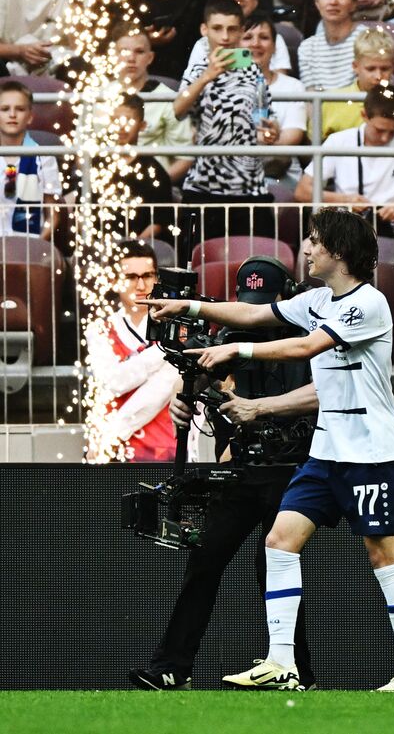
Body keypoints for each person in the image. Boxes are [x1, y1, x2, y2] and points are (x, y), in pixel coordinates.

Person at [141, 208, 394, 693]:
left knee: (386, 558)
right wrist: (191, 308)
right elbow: (255, 313)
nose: (308, 249)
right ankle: (282, 663)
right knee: (279, 542)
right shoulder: (318, 299)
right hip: (325, 454)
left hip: (371, 453)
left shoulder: (369, 304)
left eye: (316, 241)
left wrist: (238, 351)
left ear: (338, 252)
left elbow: (304, 349)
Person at [129, 255, 317, 691]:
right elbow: (193, 386)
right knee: (205, 558)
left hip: (295, 468)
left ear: (281, 300)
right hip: (241, 468)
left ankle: (294, 669)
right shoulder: (228, 337)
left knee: (273, 564)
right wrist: (185, 398)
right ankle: (171, 666)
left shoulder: (307, 340)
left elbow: (321, 395)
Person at [172, 0, 275, 256]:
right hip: (204, 186)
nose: (225, 36)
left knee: (256, 272)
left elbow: (264, 119)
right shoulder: (196, 69)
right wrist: (208, 75)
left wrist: (271, 132)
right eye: (217, 28)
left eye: (232, 29)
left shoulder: (253, 70)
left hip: (251, 186)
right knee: (193, 271)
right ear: (204, 30)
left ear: (242, 31)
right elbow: (178, 109)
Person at [295, 85, 394, 237]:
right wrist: (345, 200)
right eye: (380, 130)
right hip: (348, 232)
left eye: (393, 132)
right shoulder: (338, 141)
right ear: (364, 115)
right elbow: (302, 191)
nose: (385, 138)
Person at [84, 240, 178, 462]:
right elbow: (112, 383)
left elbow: (162, 388)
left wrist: (112, 433)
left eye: (148, 276)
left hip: (163, 449)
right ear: (113, 280)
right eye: (130, 277)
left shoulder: (175, 326)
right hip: (113, 454)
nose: (141, 285)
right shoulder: (99, 329)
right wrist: (163, 351)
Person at [240, 11, 307, 185]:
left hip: (280, 177)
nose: (255, 44)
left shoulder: (293, 87)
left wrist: (270, 137)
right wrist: (260, 138)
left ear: (275, 45)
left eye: (264, 37)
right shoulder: (223, 85)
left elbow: (292, 137)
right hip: (235, 174)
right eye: (247, 38)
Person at [117, 29, 191, 183]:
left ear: (150, 58)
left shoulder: (168, 98)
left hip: (153, 186)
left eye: (139, 52)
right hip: (103, 186)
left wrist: (158, 185)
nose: (131, 58)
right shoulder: (97, 95)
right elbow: (80, 149)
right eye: (124, 51)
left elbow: (186, 156)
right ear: (114, 55)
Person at [318, 28, 394, 139]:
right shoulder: (331, 101)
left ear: (393, 66)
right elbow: (315, 147)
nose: (378, 76)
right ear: (355, 67)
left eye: (385, 69)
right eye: (371, 69)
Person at [107, 94, 175, 240]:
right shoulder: (96, 165)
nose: (121, 126)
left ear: (142, 125)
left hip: (142, 249)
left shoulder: (155, 171)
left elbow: (159, 221)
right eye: (116, 120)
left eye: (129, 120)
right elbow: (82, 212)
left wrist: (135, 246)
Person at [0, 80, 58, 241]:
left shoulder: (44, 156)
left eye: (20, 109)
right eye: (5, 109)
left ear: (30, 116)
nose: (12, 115)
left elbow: (53, 215)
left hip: (27, 244)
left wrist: (35, 245)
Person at [296, 0, 364, 92]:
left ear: (354, 4)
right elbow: (311, 101)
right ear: (317, 2)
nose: (333, 2)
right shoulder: (307, 48)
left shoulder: (368, 40)